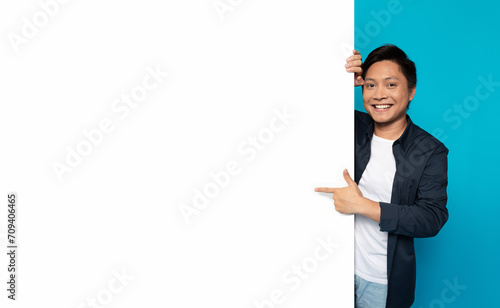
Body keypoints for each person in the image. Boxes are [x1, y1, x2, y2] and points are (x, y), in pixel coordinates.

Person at [314, 44, 449, 308]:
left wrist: (364, 206)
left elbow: (432, 218)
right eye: (370, 85)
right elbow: (304, 112)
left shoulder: (430, 151)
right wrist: (337, 83)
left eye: (390, 85)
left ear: (411, 91)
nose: (379, 95)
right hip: (329, 267)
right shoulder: (349, 126)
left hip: (381, 281)